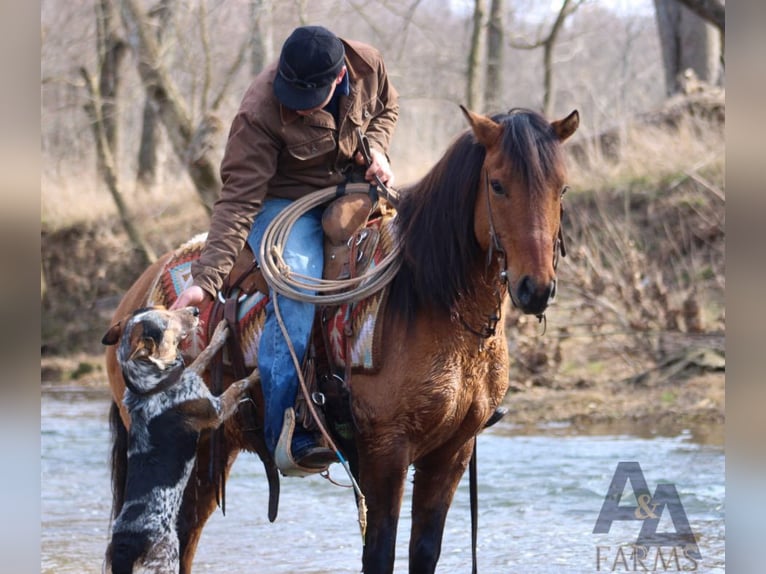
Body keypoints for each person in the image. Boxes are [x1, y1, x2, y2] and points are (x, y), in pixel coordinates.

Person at [171, 25, 398, 474]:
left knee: (419, 249)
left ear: (338, 79)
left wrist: (378, 152)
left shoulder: (369, 64)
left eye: (307, 93)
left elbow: (387, 109)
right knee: (296, 285)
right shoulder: (258, 112)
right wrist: (205, 282)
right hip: (281, 203)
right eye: (290, 90)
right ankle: (284, 434)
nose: (294, 101)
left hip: (352, 188)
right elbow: (237, 202)